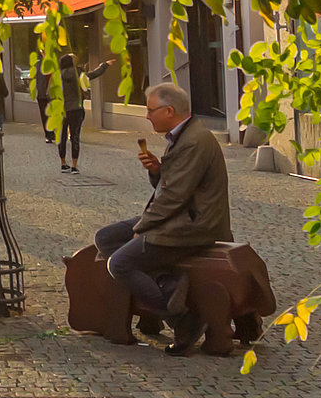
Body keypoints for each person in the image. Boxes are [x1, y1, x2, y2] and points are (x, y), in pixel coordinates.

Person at [92, 83, 232, 355]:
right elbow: (172, 186)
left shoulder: (194, 141)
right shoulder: (183, 136)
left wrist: (142, 228)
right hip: (178, 216)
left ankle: (184, 321)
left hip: (192, 225)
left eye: (150, 109)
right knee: (105, 238)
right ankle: (166, 280)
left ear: (169, 111)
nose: (146, 115)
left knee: (119, 263)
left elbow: (174, 197)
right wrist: (158, 170)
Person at [56, 50, 109, 173]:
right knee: (75, 136)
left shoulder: (58, 75)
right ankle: (74, 165)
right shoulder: (77, 73)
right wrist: (104, 65)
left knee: (62, 136)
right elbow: (93, 74)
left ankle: (63, 163)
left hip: (62, 109)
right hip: (76, 108)